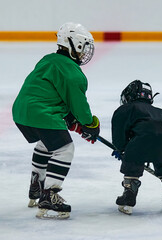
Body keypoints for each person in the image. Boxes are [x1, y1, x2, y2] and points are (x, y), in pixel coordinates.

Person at [12, 22, 100, 219]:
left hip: (20, 112)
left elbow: (51, 93)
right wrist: (90, 124)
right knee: (64, 149)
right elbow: (79, 106)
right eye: (84, 46)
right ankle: (50, 195)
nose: (86, 51)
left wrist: (70, 119)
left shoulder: (48, 60)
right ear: (75, 45)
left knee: (47, 144)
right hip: (41, 114)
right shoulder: (73, 73)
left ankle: (37, 184)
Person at [111, 80, 162, 215]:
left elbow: (119, 135)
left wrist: (121, 149)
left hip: (140, 143)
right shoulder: (161, 112)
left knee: (133, 167)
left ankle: (129, 196)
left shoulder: (126, 109)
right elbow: (158, 134)